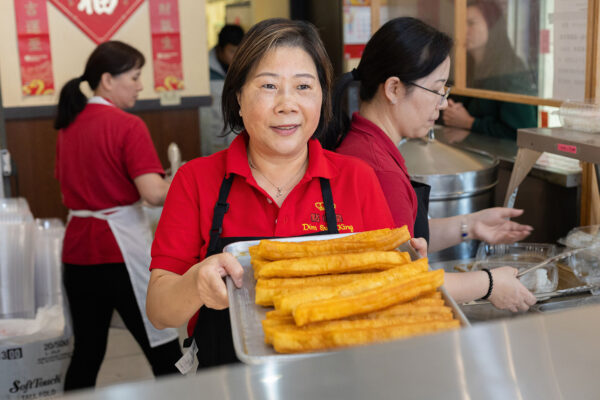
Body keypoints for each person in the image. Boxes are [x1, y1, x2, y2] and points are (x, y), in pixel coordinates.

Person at [146, 18, 398, 370]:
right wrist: (196, 286)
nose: (287, 104)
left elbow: (386, 297)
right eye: (268, 86)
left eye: (304, 87)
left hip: (339, 379)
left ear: (322, 96)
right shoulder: (196, 180)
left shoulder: (357, 178)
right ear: (238, 97)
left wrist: (403, 271)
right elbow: (158, 310)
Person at [324, 17, 537, 312]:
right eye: (437, 90)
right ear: (394, 89)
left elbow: (402, 237)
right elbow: (402, 280)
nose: (443, 103)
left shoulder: (368, 145)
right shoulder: (376, 169)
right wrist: (489, 284)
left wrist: (471, 225)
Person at [54, 41, 182, 391]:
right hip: (119, 250)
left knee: (88, 351)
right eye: (136, 77)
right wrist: (184, 180)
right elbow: (153, 193)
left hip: (77, 248)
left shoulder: (68, 125)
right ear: (108, 80)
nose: (141, 85)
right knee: (163, 346)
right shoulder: (127, 125)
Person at [442, 0, 537, 140]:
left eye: (471, 23)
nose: (462, 30)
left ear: (492, 26)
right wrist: (449, 109)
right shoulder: (465, 66)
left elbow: (523, 131)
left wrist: (469, 123)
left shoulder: (510, 69)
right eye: (460, 23)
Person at [201, 24, 245, 156]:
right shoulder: (204, 68)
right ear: (219, 49)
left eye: (239, 51)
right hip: (213, 138)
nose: (235, 56)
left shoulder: (244, 67)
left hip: (238, 138)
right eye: (231, 51)